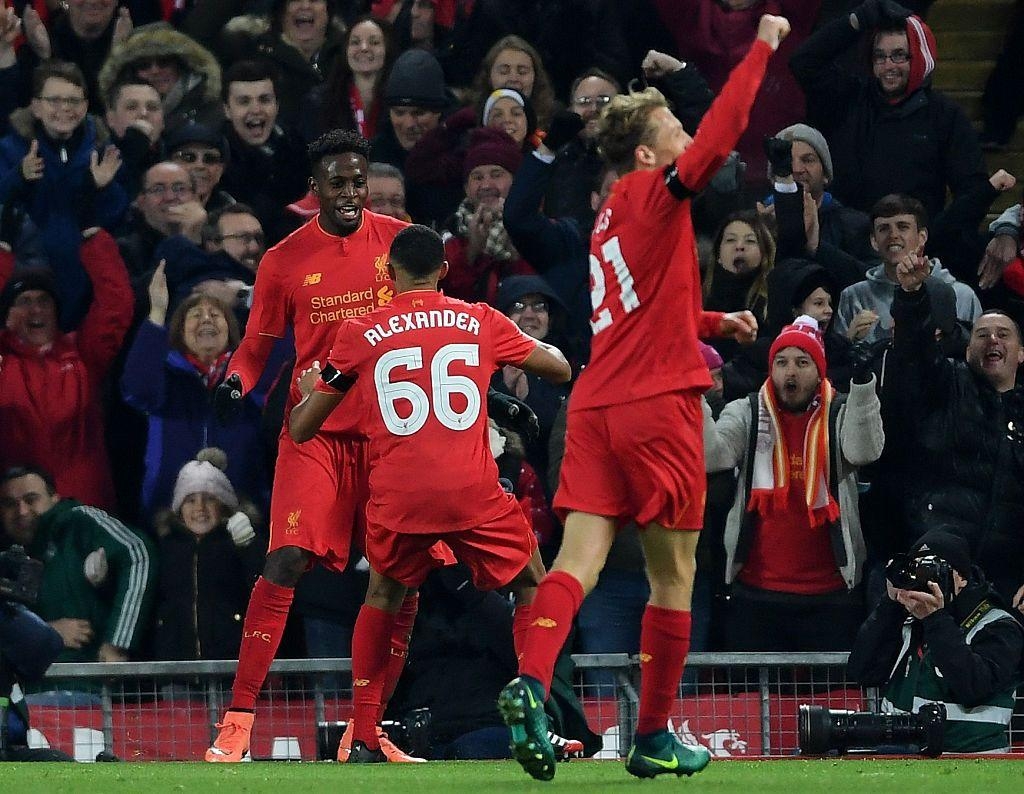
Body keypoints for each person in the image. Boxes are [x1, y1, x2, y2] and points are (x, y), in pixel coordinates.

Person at [498, 14, 790, 783]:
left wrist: (712, 320)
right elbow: (724, 137)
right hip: (657, 407)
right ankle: (654, 733)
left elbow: (634, 311)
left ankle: (530, 684)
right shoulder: (659, 193)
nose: (687, 136)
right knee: (673, 577)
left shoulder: (607, 219)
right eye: (674, 128)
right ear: (645, 150)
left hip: (595, 403)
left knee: (579, 559)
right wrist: (762, 45)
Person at [288, 224, 571, 762]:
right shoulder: (480, 320)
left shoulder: (360, 332)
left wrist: (310, 392)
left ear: (389, 275)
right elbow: (557, 367)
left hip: (400, 496)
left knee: (383, 598)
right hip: (471, 491)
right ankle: (533, 706)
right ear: (443, 272)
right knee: (533, 581)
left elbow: (304, 428)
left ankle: (365, 734)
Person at [204, 129, 437, 764]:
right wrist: (235, 383)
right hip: (317, 431)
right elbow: (257, 345)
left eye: (358, 181)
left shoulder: (398, 242)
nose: (350, 193)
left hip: (392, 433)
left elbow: (436, 323)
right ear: (317, 187)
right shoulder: (283, 258)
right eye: (338, 182)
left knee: (402, 578)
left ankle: (368, 730)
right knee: (285, 558)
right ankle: (239, 720)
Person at [703, 316, 884, 651]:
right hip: (756, 594)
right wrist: (693, 398)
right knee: (754, 704)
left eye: (803, 362)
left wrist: (862, 387)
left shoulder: (840, 410)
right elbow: (711, 456)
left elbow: (864, 452)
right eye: (782, 362)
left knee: (828, 699)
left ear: (819, 372)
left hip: (831, 596)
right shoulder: (746, 412)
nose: (791, 372)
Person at [884, 246, 1024, 609]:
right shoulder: (946, 385)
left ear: (1021, 354)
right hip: (940, 573)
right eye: (982, 334)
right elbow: (913, 352)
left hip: (1009, 579)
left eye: (1003, 334)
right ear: (966, 350)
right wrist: (912, 296)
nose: (992, 339)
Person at [789, 1, 989, 225]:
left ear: (920, 57)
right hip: (847, 248)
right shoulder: (849, 98)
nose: (888, 66)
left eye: (899, 55)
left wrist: (936, 239)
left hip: (917, 251)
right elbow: (803, 62)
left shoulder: (945, 116)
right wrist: (855, 21)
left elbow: (973, 190)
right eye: (880, 56)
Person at [847, 530, 1024, 753]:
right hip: (899, 759)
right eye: (917, 570)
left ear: (962, 579)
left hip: (972, 763)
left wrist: (935, 619)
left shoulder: (998, 625)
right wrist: (890, 604)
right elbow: (862, 673)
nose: (925, 581)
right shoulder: (907, 617)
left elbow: (974, 687)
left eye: (933, 571)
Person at [121, 266, 268, 520]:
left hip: (242, 509)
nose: (206, 319)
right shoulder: (165, 377)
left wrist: (249, 298)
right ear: (180, 332)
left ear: (230, 329)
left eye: (215, 314)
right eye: (195, 315)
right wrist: (157, 313)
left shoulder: (249, 374)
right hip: (170, 512)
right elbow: (138, 390)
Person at [0, 228, 131, 512]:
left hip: (83, 510)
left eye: (44, 301)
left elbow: (115, 306)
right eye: (24, 302)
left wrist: (96, 241)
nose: (36, 310)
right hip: (17, 513)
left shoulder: (82, 355)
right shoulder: (4, 362)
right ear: (7, 315)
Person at [0, 60, 128, 327]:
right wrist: (18, 177)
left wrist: (101, 188)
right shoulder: (10, 149)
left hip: (85, 280)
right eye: (54, 100)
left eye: (73, 100)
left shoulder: (103, 150)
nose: (64, 109)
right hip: (25, 279)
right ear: (36, 106)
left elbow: (117, 216)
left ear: (84, 107)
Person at [0, 465, 156, 665]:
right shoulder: (7, 556)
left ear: (54, 498)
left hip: (81, 686)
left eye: (31, 499)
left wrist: (117, 644)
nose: (21, 511)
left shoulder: (78, 523)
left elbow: (138, 553)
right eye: (9, 504)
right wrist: (47, 632)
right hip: (19, 690)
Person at [152, 449, 263, 662]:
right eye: (190, 500)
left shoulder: (239, 545)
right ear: (179, 508)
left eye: (209, 499)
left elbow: (264, 594)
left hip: (231, 665)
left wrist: (250, 547)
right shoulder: (164, 547)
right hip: (175, 667)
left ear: (223, 505)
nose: (200, 508)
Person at [834, 194, 981, 347]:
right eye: (884, 229)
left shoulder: (962, 296)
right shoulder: (853, 297)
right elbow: (839, 364)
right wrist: (848, 340)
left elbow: (976, 357)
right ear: (874, 241)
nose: (893, 235)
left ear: (922, 236)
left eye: (903, 227)